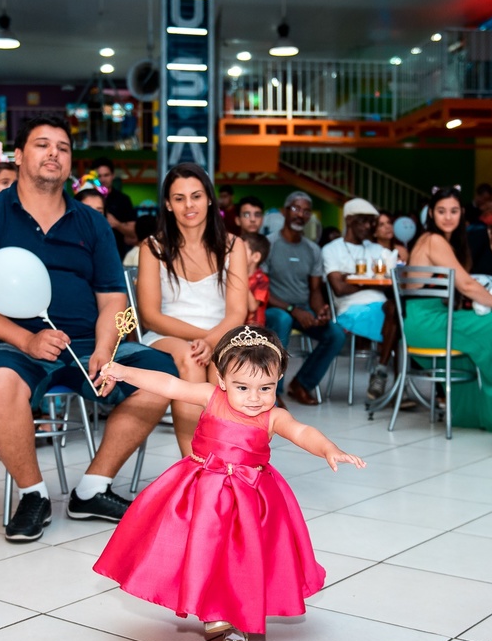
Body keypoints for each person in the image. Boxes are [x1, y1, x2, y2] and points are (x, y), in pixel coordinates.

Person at [0, 115, 177, 542]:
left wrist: (106, 347)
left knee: (161, 375)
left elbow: (113, 300)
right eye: (42, 144)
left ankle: (92, 489)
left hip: (88, 342)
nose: (53, 153)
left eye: (63, 147)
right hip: (8, 343)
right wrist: (27, 339)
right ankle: (33, 495)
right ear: (19, 155)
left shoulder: (91, 222)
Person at [93, 325, 365, 641]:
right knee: (202, 553)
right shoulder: (210, 397)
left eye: (266, 388)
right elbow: (170, 385)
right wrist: (125, 372)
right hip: (201, 493)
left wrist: (328, 449)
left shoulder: (273, 416)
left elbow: (301, 431)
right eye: (243, 387)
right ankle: (213, 609)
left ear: (278, 379)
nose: (254, 398)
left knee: (241, 561)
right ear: (222, 380)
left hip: (250, 500)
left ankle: (237, 626)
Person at [137, 162, 248, 455]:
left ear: (209, 198)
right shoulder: (152, 247)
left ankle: (226, 458)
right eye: (179, 198)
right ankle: (195, 463)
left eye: (196, 196)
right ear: (168, 204)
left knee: (228, 365)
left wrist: (212, 341)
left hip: (222, 334)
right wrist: (204, 341)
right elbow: (150, 316)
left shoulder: (233, 246)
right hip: (167, 335)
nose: (189, 205)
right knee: (191, 357)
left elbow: (237, 313)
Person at [405, 187, 492, 432]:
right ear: (431, 213)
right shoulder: (433, 240)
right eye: (441, 211)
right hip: (427, 322)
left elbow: (465, 286)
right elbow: (467, 285)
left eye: (453, 211)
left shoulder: (443, 241)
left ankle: (479, 412)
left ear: (461, 213)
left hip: (432, 318)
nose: (448, 217)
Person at [264, 192, 346, 406]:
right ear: (285, 211)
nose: (300, 214)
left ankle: (301, 384)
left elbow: (315, 290)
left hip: (302, 309)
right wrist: (293, 310)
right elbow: (262, 290)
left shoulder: (313, 249)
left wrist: (320, 312)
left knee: (335, 334)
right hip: (274, 309)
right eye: (296, 208)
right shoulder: (269, 244)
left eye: (306, 211)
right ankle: (273, 393)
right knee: (283, 319)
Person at [320, 198, 399, 400]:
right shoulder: (332, 249)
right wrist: (371, 282)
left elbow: (392, 282)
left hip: (383, 306)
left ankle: (384, 373)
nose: (368, 226)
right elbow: (339, 288)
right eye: (363, 221)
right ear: (349, 220)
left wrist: (352, 278)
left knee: (397, 310)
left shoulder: (376, 249)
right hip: (350, 309)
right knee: (398, 318)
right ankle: (399, 388)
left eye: (371, 222)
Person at [94, 157, 138, 258]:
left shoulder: (123, 199)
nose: (103, 179)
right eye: (99, 176)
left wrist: (116, 224)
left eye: (106, 175)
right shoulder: (87, 198)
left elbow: (133, 232)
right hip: (93, 253)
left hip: (117, 254)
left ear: (112, 175)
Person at [241, 231, 270, 327]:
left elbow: (253, 306)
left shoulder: (262, 280)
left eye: (242, 250)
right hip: (237, 326)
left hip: (254, 329)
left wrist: (242, 278)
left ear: (256, 257)